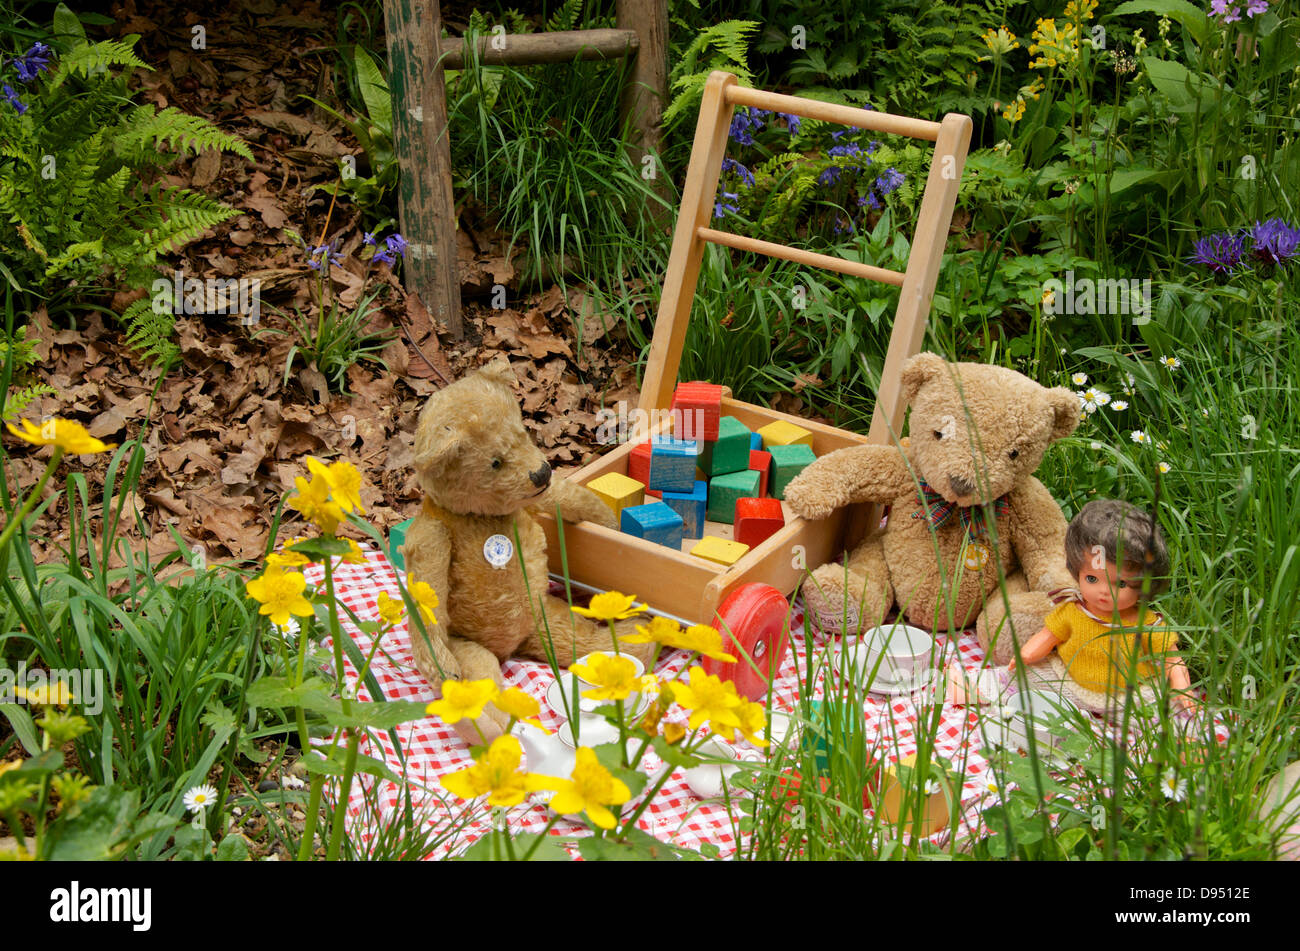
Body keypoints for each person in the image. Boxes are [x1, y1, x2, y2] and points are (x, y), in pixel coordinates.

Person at [1007, 499, 1198, 714]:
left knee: (1160, 709)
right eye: (1091, 579)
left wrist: (1183, 688)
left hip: (1128, 695)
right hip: (1071, 683)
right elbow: (1047, 636)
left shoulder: (1145, 623)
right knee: (1022, 677)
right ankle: (979, 687)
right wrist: (1026, 654)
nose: (1104, 592)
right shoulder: (1073, 610)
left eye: (1122, 583)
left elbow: (1170, 658)